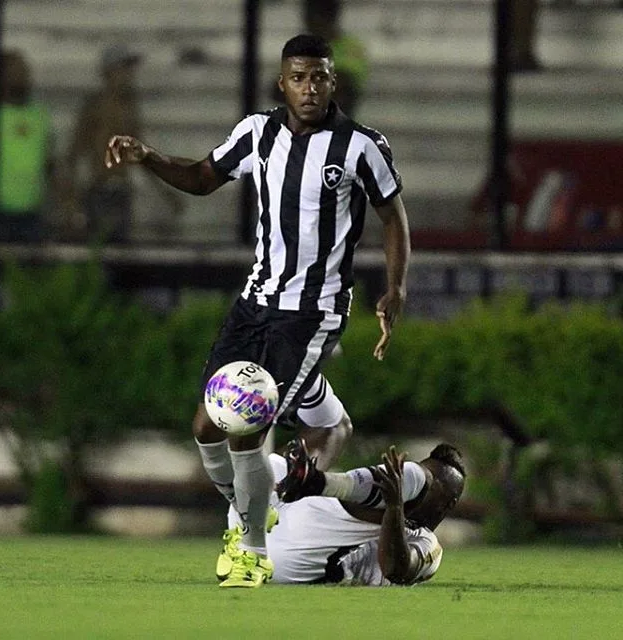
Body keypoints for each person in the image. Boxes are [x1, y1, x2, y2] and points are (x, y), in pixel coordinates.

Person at [104, 33, 410, 588]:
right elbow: (201, 178)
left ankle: (250, 548)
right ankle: (256, 503)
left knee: (249, 422)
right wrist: (147, 155)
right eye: (299, 77)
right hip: (255, 303)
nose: (310, 87)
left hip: (313, 311)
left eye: (319, 76)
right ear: (282, 82)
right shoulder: (258, 133)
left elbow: (393, 216)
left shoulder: (360, 147)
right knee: (205, 425)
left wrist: (396, 288)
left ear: (332, 81)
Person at [224, 440, 465, 585]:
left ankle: (320, 481)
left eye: (435, 487)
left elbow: (397, 571)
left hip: (292, 559)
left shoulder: (426, 543)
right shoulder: (378, 496)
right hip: (275, 516)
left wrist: (394, 507)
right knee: (273, 463)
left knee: (416, 476)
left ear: (447, 503)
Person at [66, 44, 181, 244]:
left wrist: (165, 190)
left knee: (119, 251)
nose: (129, 75)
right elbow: (75, 153)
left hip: (121, 193)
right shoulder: (95, 106)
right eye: (124, 68)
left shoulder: (129, 108)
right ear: (109, 72)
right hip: (99, 191)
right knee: (99, 251)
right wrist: (72, 202)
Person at [0, 50, 53, 242]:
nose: (22, 76)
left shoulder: (38, 115)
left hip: (31, 212)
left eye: (24, 71)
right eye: (15, 71)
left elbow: (49, 159)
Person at [271, 0, 369, 119]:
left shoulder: (350, 48)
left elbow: (343, 86)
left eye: (315, 16)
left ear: (330, 17)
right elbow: (277, 90)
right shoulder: (299, 46)